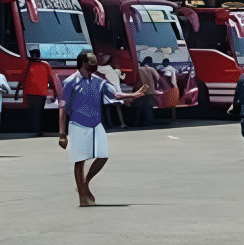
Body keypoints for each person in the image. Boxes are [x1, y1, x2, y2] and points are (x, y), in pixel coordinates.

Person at [59, 51, 148, 206]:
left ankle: (85, 184)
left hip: (96, 124)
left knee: (103, 155)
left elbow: (116, 94)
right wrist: (62, 134)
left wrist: (132, 95)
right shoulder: (70, 82)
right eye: (92, 61)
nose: (95, 64)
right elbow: (62, 107)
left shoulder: (98, 81)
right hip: (77, 125)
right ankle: (82, 196)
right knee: (80, 160)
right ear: (83, 63)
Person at [25, 49, 51, 137]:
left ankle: (38, 130)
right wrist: (17, 92)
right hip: (30, 93)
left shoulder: (45, 64)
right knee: (33, 112)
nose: (34, 57)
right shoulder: (28, 64)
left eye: (35, 55)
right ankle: (34, 130)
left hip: (41, 93)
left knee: (39, 112)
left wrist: (55, 92)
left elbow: (51, 78)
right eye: (33, 55)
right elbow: (23, 79)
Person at [132, 57, 161, 126]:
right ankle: (148, 122)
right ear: (150, 62)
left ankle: (136, 122)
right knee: (148, 107)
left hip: (139, 90)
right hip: (149, 90)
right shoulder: (151, 69)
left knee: (137, 107)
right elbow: (158, 78)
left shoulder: (138, 69)